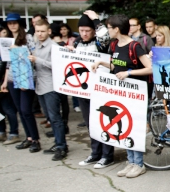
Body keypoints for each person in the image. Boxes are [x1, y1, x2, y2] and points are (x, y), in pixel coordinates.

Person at [92, 15, 153, 178]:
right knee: (125, 126)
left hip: (136, 93)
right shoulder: (115, 45)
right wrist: (102, 63)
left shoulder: (135, 46)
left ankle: (138, 163)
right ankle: (131, 161)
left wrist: (129, 73)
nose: (108, 31)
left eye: (109, 27)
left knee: (134, 126)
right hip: (123, 93)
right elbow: (118, 66)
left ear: (116, 29)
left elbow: (150, 68)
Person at [75, 11, 115, 169]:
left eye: (87, 30)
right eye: (81, 30)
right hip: (83, 89)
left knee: (102, 121)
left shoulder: (100, 43)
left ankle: (107, 155)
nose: (84, 34)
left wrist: (96, 20)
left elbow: (105, 36)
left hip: (100, 89)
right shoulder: (78, 43)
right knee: (89, 122)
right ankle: (95, 152)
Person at [28, 20, 68, 160]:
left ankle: (62, 146)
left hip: (51, 86)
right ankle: (58, 143)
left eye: (42, 31)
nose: (39, 34)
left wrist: (37, 60)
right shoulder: (37, 45)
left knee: (56, 118)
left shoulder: (54, 46)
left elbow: (58, 66)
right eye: (37, 31)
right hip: (40, 86)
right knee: (50, 118)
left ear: (49, 31)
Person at [2, 13, 41, 153]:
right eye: (9, 23)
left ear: (19, 23)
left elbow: (32, 56)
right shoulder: (6, 39)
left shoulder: (27, 37)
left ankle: (36, 139)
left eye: (14, 22)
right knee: (20, 110)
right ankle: (29, 137)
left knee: (26, 110)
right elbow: (7, 63)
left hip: (25, 77)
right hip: (12, 78)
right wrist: (5, 81)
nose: (12, 25)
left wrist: (18, 51)